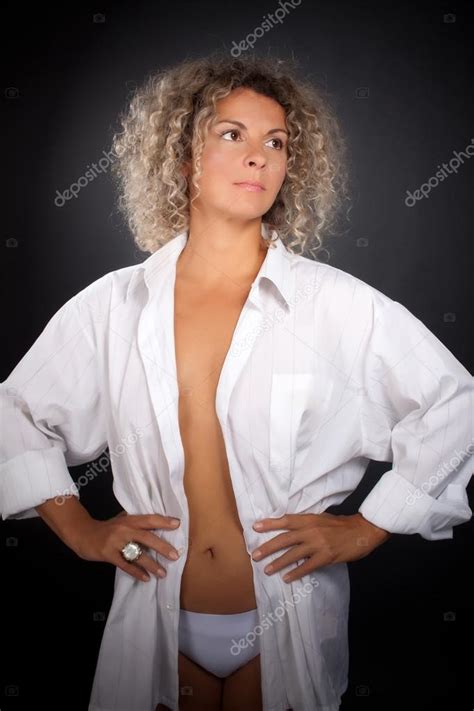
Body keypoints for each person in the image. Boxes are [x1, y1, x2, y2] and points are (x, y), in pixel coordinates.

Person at [1, 51, 472, 711]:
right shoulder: (115, 305)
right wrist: (79, 526)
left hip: (290, 619)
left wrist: (367, 526)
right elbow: (16, 413)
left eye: (276, 141)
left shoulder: (338, 306)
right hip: (156, 622)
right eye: (232, 134)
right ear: (184, 157)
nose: (259, 156)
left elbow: (456, 404)